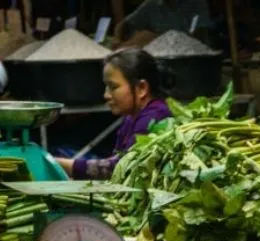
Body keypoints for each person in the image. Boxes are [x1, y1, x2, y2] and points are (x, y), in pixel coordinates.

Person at [55, 48, 172, 180]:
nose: (106, 95)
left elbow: (117, 169)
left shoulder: (155, 118)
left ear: (142, 88)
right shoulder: (130, 117)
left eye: (113, 87)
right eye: (106, 87)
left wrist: (55, 163)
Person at [114, 0, 211, 42]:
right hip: (161, 60)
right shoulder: (151, 5)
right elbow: (124, 25)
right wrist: (119, 40)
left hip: (192, 59)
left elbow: (200, 34)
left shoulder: (196, 3)